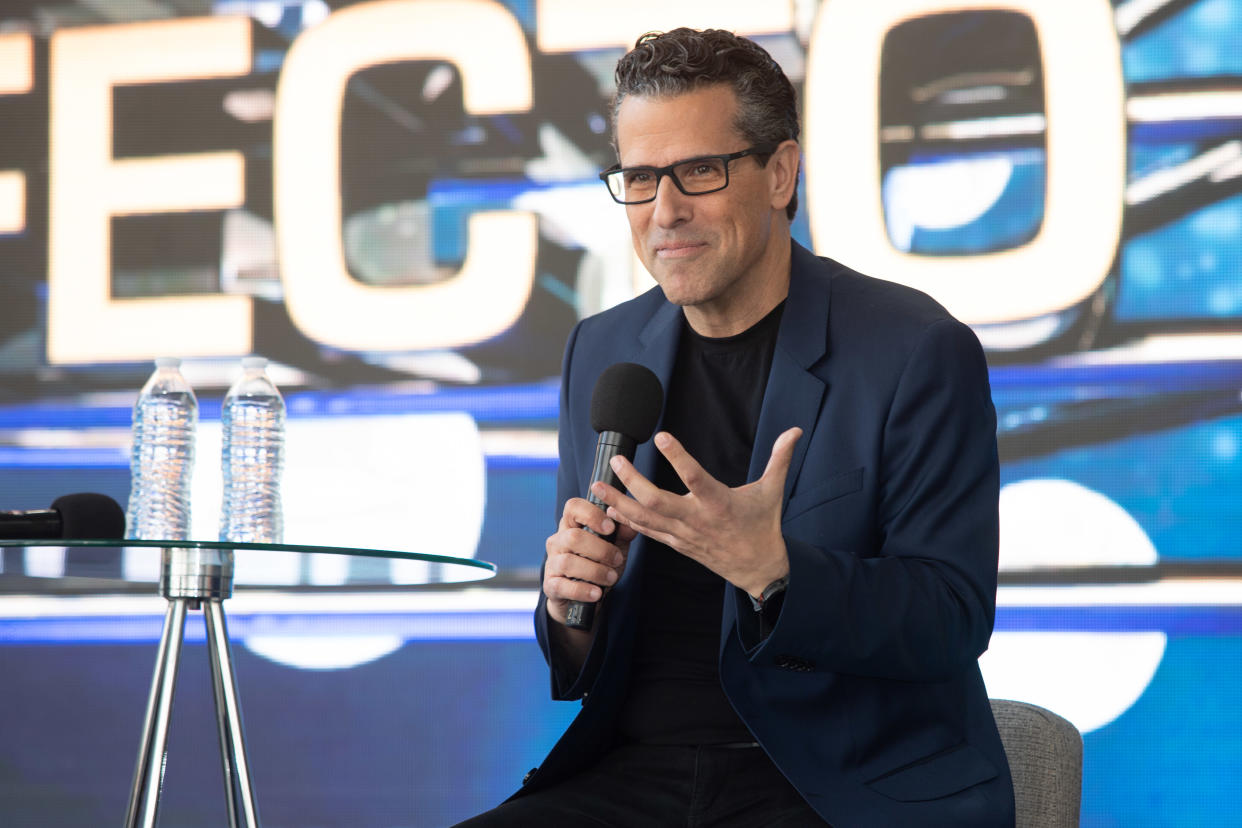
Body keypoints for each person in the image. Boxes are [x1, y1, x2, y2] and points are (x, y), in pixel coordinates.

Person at [456, 27, 1015, 827]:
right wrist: (568, 601)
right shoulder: (604, 350)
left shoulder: (916, 350)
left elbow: (950, 618)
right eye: (641, 178)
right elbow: (576, 658)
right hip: (635, 773)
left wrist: (777, 571)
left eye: (699, 172)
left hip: (835, 784)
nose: (665, 211)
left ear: (781, 173)